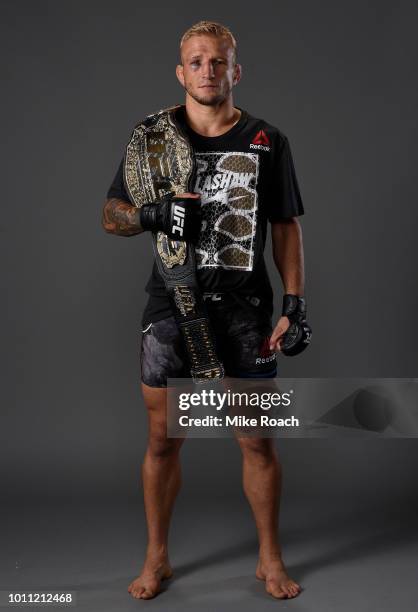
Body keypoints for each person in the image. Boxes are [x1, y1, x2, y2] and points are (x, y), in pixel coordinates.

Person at [102, 20, 308, 600]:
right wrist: (155, 215)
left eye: (218, 62)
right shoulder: (152, 140)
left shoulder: (268, 140)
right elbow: (112, 213)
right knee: (163, 440)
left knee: (256, 441)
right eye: (196, 62)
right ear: (180, 71)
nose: (208, 71)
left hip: (245, 307)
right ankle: (157, 557)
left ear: (235, 70)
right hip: (172, 302)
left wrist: (294, 303)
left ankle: (270, 558)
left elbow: (286, 228)